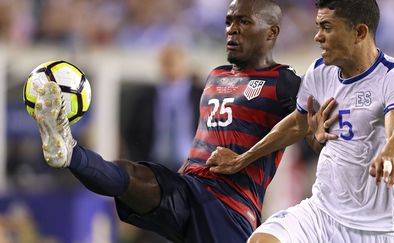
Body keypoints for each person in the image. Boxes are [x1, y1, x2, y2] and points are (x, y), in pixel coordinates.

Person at [31, 0, 306, 242]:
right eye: (228, 21)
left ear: (272, 32)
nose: (231, 29)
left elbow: (308, 123)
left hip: (230, 207)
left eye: (244, 21)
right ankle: (69, 152)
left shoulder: (283, 81)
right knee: (131, 175)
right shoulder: (216, 76)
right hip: (188, 186)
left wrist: (242, 159)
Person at [206, 0, 394, 242]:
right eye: (318, 26)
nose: (318, 37)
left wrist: (389, 155)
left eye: (327, 27)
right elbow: (298, 123)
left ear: (359, 32)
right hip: (321, 213)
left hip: (376, 229)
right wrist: (242, 159)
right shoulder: (320, 72)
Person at [123, 45, 202, 172]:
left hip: (191, 165)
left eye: (173, 62)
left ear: (184, 63)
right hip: (155, 163)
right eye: (166, 63)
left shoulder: (200, 95)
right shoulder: (145, 97)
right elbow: (132, 132)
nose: (170, 67)